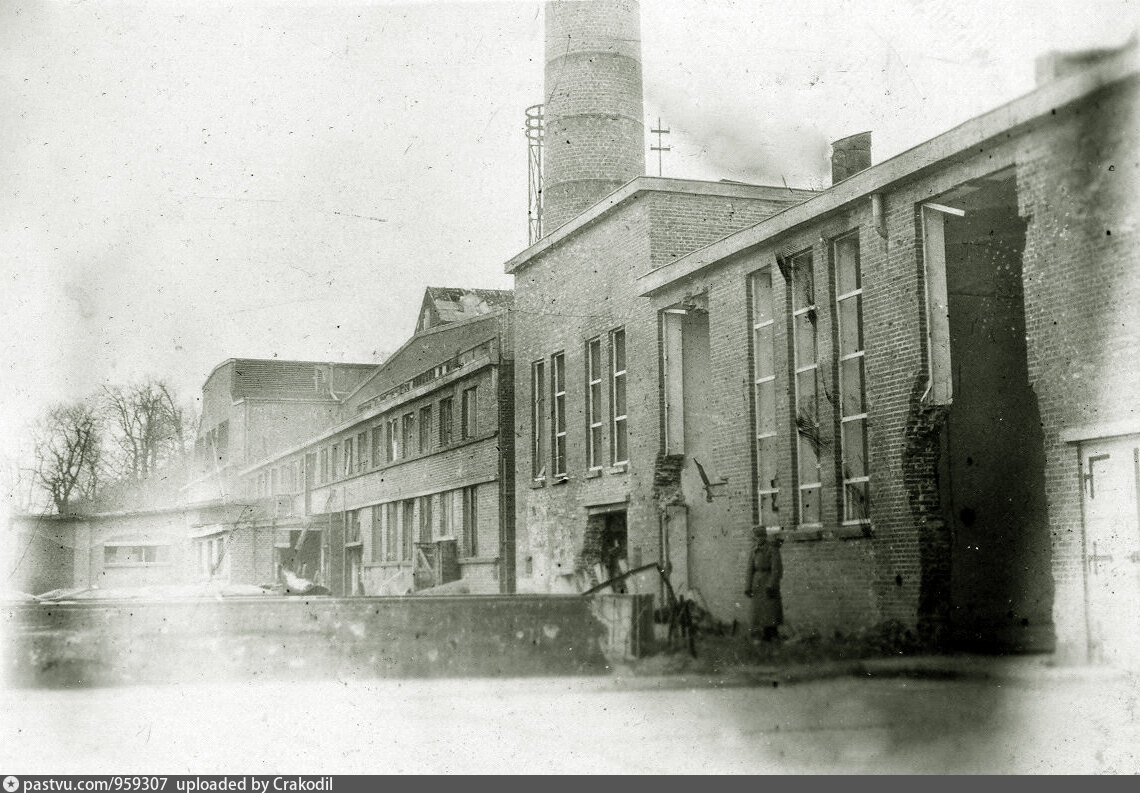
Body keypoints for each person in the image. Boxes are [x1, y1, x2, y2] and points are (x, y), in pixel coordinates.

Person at [745, 528, 783, 642]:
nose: (758, 539)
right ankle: (763, 634)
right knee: (759, 610)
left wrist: (772, 585)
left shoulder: (772, 549)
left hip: (768, 580)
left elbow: (777, 569)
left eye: (761, 536)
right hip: (757, 583)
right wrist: (748, 587)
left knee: (771, 610)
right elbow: (749, 569)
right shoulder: (754, 550)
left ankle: (772, 634)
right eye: (756, 537)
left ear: (765, 536)